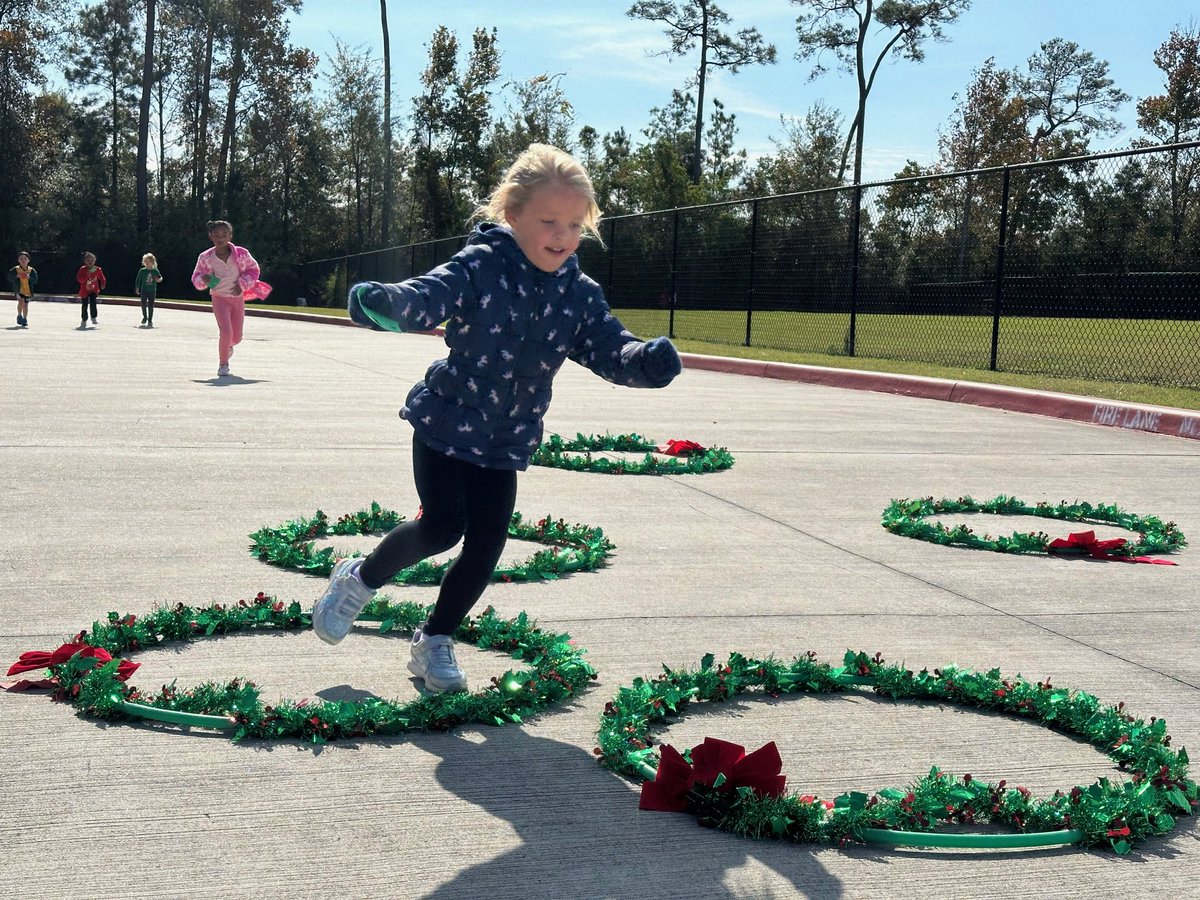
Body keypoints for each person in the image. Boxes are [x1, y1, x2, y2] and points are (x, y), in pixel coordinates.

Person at [311, 143, 682, 693]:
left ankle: (435, 639)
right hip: (447, 421)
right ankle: (358, 580)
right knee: (441, 526)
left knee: (486, 545)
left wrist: (645, 363)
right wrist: (387, 303)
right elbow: (430, 295)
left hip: (505, 439)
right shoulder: (481, 266)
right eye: (549, 221)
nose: (562, 235)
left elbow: (610, 348)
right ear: (512, 215)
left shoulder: (578, 296)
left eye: (574, 225)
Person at [190, 220, 260, 377]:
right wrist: (204, 279)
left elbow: (253, 269)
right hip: (219, 298)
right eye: (216, 235)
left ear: (230, 236)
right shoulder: (206, 257)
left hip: (237, 299)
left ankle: (227, 347)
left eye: (224, 234)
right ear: (210, 237)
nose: (220, 238)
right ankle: (223, 364)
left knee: (237, 337)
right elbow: (196, 276)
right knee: (226, 331)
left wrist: (243, 283)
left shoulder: (241, 253)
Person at [76, 251, 106, 327]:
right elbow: (80, 280)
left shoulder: (97, 269)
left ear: (94, 261)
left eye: (92, 260)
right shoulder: (82, 269)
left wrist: (103, 284)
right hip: (84, 291)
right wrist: (86, 276)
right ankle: (84, 319)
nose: (90, 262)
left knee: (93, 303)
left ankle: (93, 317)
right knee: (84, 305)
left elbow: (102, 278)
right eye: (88, 260)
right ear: (85, 261)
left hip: (93, 290)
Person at [9, 251, 37, 328]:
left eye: (25, 258)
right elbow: (10, 277)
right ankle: (19, 315)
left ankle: (24, 319)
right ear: (18, 260)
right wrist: (16, 276)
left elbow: (35, 280)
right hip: (19, 290)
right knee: (20, 302)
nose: (23, 260)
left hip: (27, 290)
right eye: (21, 258)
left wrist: (30, 278)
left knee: (26, 305)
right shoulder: (16, 269)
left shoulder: (31, 270)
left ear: (28, 260)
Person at [135, 253, 163, 327]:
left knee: (151, 305)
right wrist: (137, 288)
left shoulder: (155, 271)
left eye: (149, 261)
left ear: (153, 262)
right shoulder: (142, 271)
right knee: (143, 304)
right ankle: (145, 317)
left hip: (152, 290)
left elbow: (160, 278)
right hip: (144, 290)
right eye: (146, 262)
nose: (147, 263)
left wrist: (158, 280)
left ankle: (150, 320)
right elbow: (138, 280)